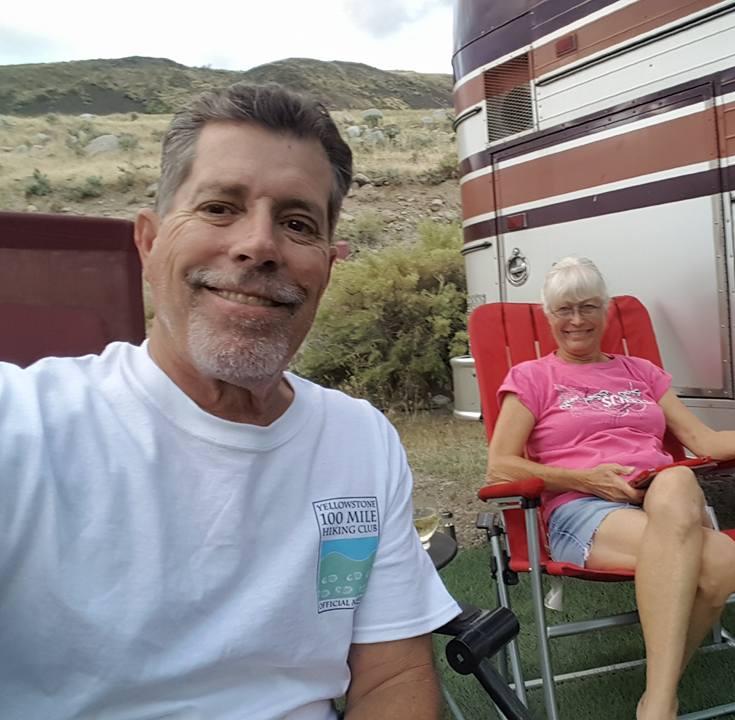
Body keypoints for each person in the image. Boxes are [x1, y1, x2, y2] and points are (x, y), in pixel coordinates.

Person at [0, 83, 461, 719]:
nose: (259, 245)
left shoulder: (359, 439)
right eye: (219, 208)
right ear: (148, 243)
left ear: (327, 266)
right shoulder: (22, 423)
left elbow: (392, 676)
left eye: (297, 224)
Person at [485, 256, 735, 720]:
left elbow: (704, 442)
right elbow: (500, 465)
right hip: (584, 510)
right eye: (564, 310)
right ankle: (659, 702)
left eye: (588, 307)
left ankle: (657, 697)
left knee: (676, 476)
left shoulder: (642, 372)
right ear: (548, 316)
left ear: (605, 311)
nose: (577, 320)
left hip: (663, 500)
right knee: (720, 559)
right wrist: (586, 479)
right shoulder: (532, 377)